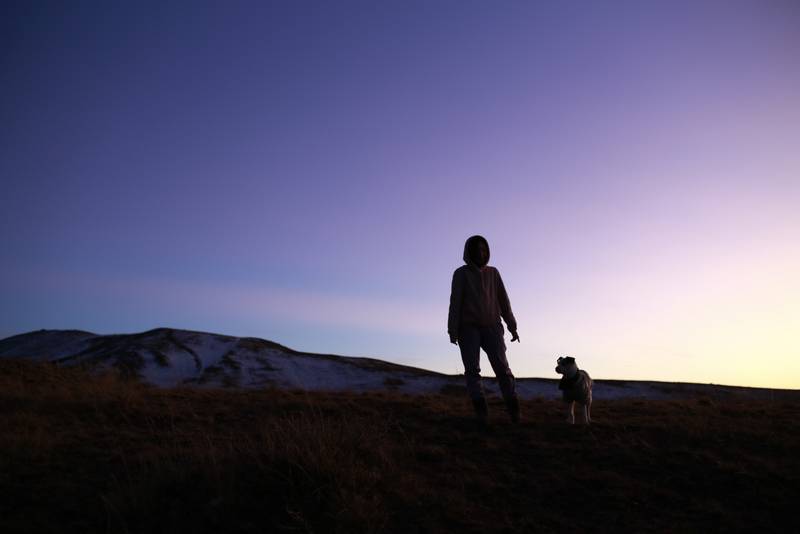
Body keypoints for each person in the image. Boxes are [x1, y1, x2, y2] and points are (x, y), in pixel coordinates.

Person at [448, 235, 520, 423]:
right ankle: (482, 414)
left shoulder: (493, 273)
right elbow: (455, 303)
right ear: (469, 252)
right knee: (472, 371)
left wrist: (512, 326)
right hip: (468, 329)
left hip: (492, 328)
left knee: (503, 370)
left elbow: (504, 302)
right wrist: (452, 330)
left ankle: (515, 413)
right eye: (477, 250)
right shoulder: (461, 274)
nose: (481, 253)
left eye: (484, 249)